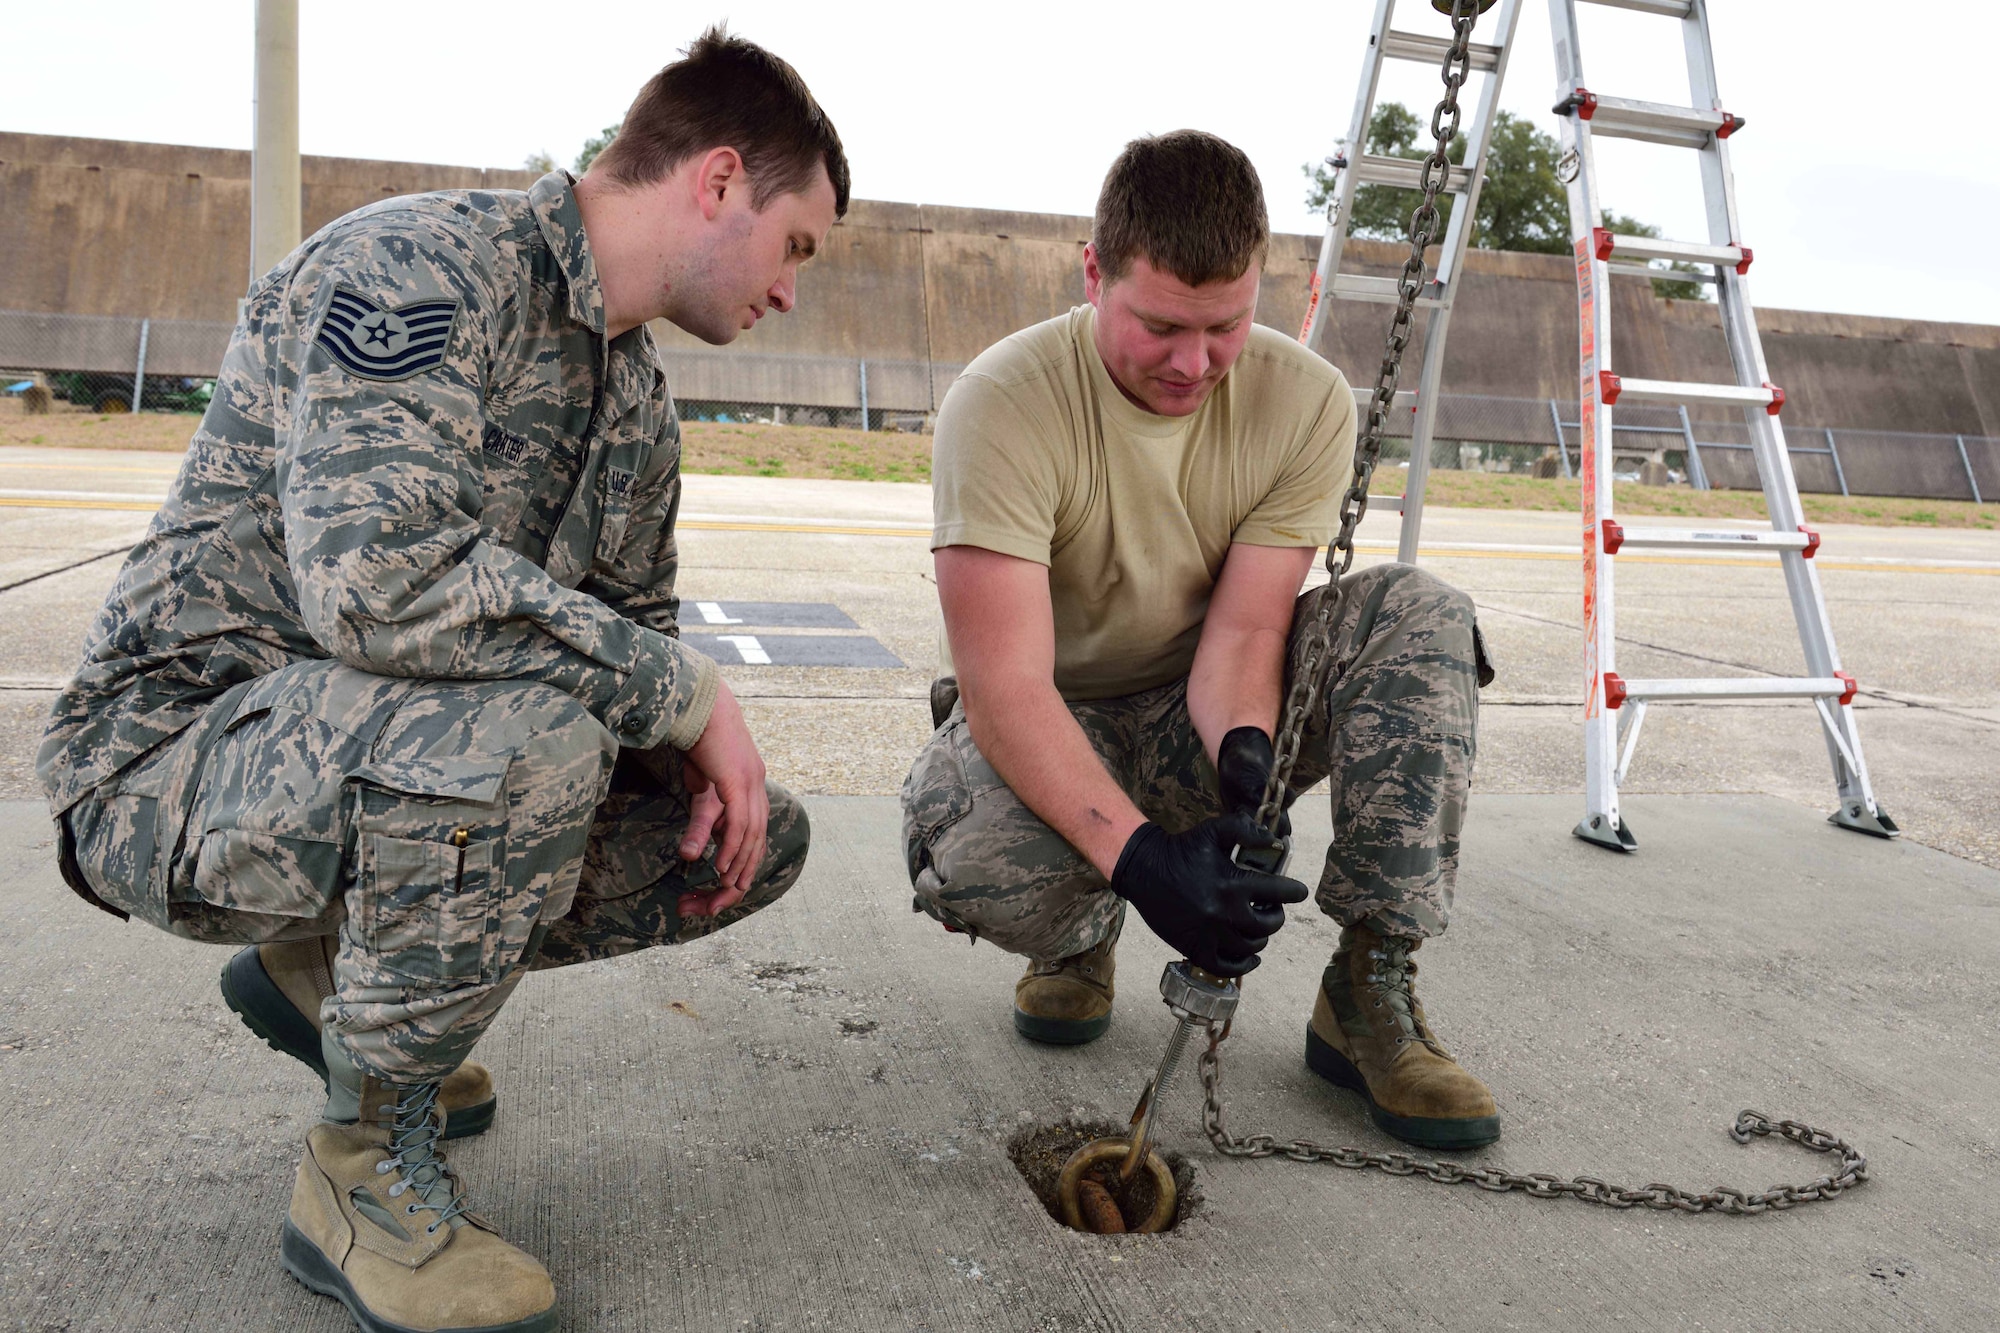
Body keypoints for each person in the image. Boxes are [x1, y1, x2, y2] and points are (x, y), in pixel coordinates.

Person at [38, 27, 844, 1333]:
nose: (794, 291)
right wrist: (687, 693)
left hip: (354, 760)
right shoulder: (423, 269)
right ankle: (357, 1170)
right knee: (528, 740)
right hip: (171, 765)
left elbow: (622, 637)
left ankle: (332, 985)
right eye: (796, 243)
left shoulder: (633, 399)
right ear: (716, 179)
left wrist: (690, 746)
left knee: (736, 832)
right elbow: (381, 581)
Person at [902, 130, 1499, 1156]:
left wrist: (1242, 760)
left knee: (1419, 611)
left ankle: (1367, 989)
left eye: (1224, 327)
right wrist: (1140, 864)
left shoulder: (1303, 400)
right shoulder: (1002, 402)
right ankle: (1082, 930)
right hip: (1061, 716)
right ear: (1093, 274)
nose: (1193, 364)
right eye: (1160, 326)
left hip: (1192, 707)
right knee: (967, 854)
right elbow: (1003, 687)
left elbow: (1251, 626)